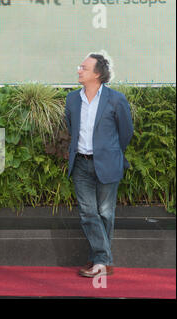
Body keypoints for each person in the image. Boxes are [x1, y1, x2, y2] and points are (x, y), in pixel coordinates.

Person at [65, 53, 133, 278]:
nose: (78, 70)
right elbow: (71, 127)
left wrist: (111, 152)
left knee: (105, 213)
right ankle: (104, 260)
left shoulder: (116, 99)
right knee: (87, 212)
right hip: (81, 164)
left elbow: (125, 133)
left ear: (97, 73)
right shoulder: (72, 99)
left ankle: (98, 259)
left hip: (107, 163)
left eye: (83, 67)